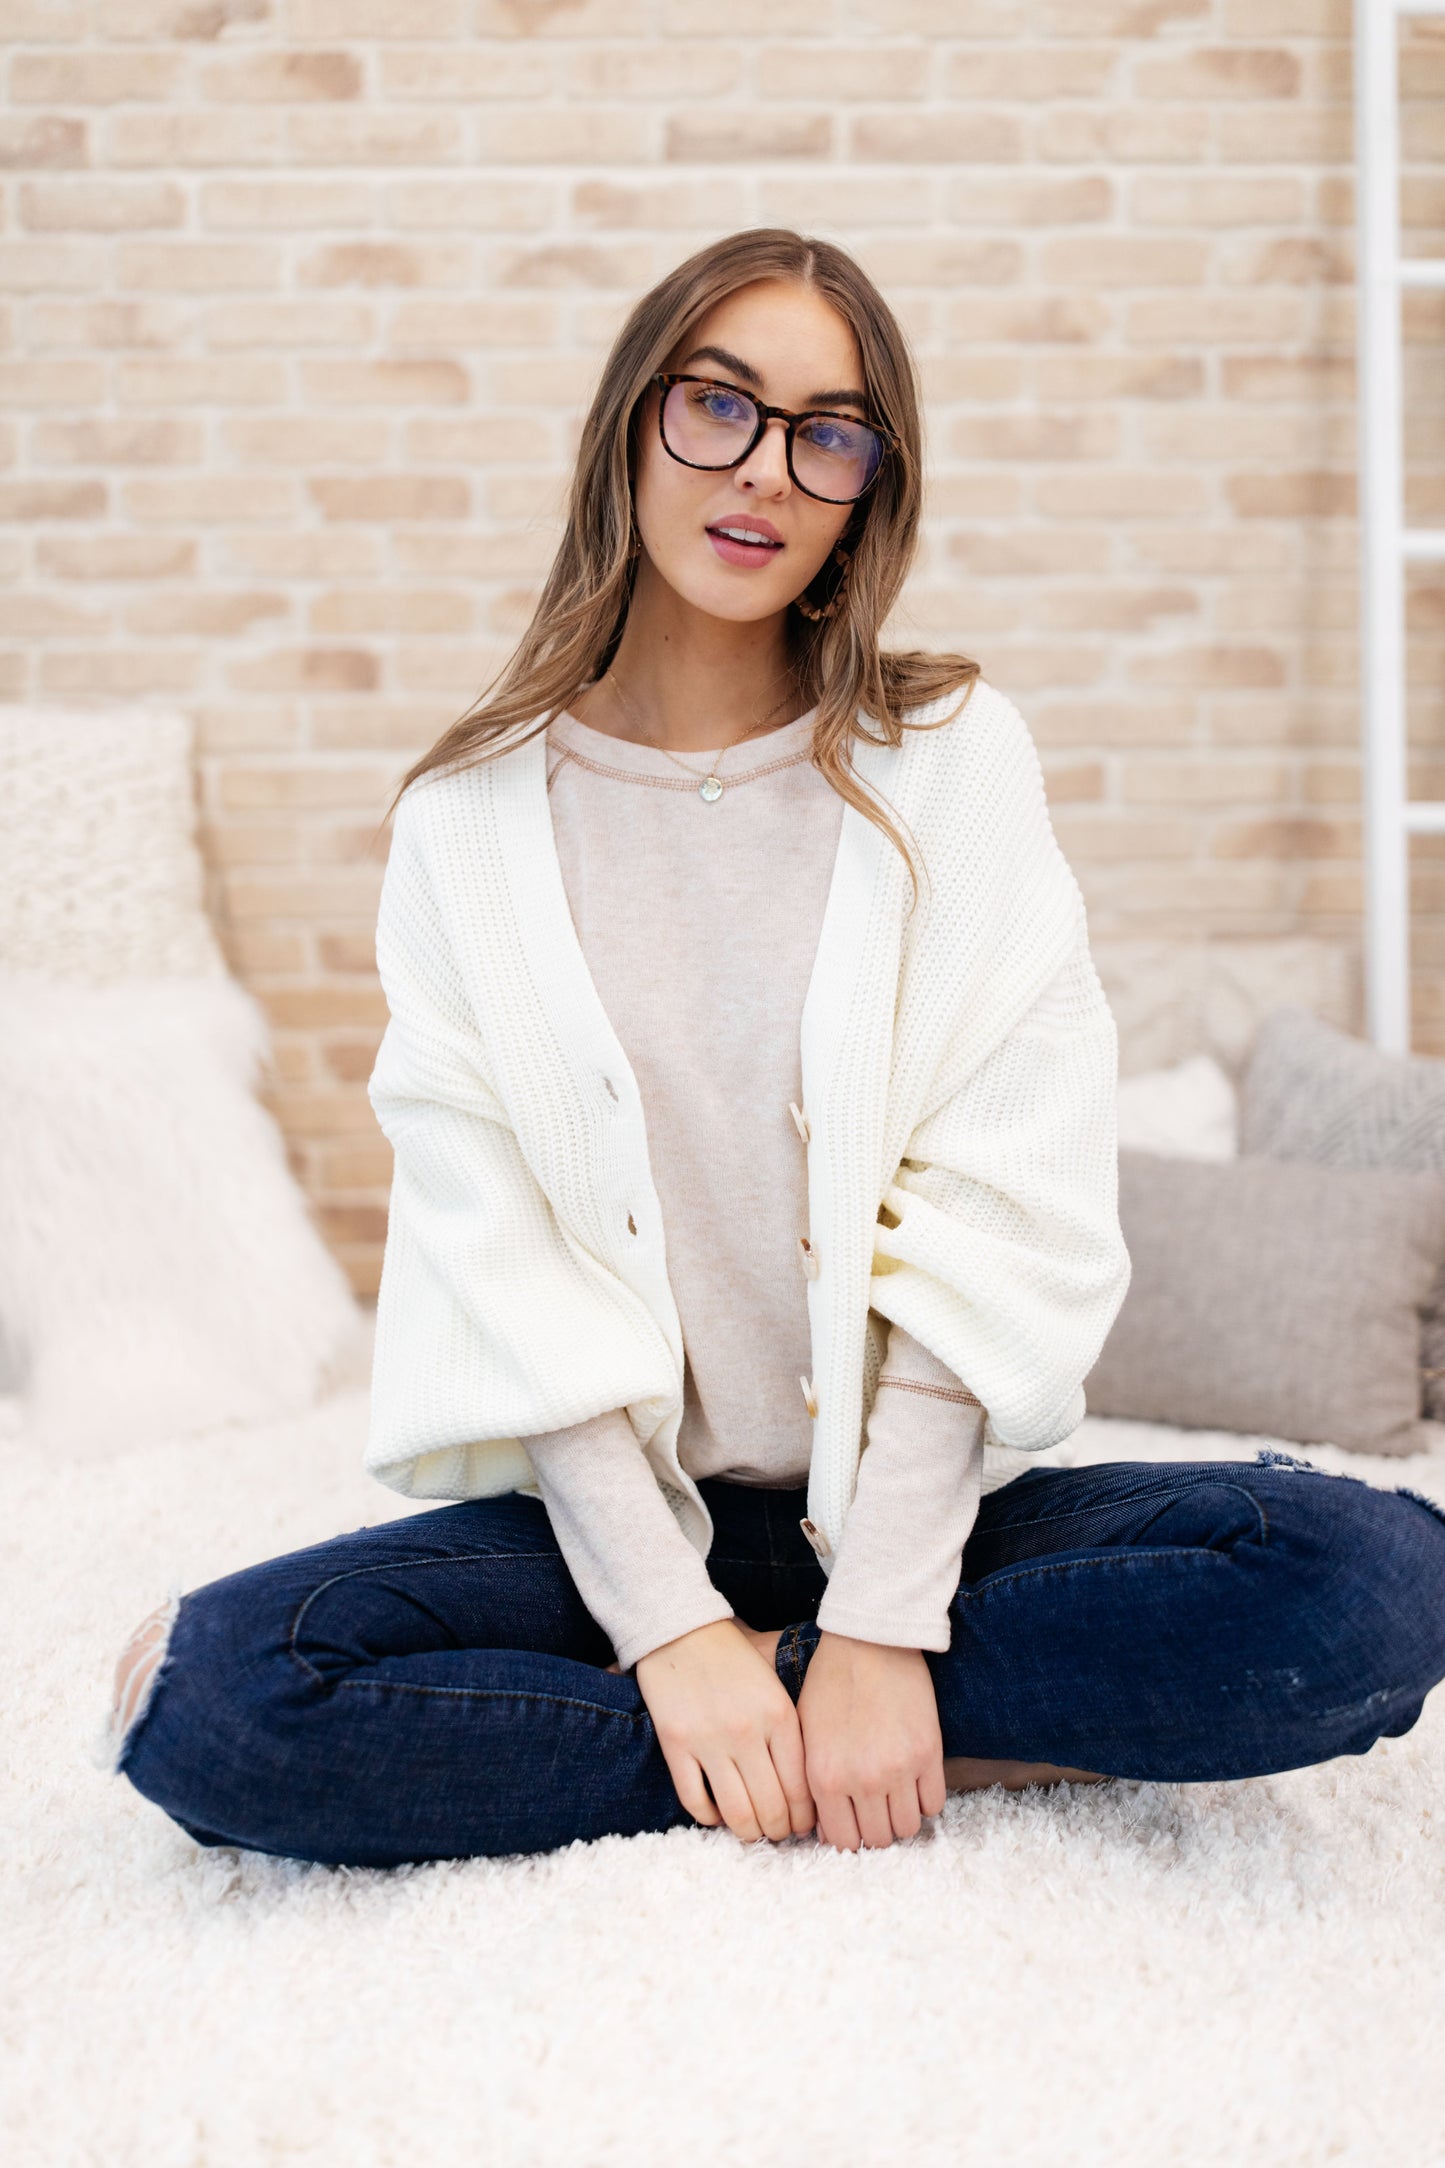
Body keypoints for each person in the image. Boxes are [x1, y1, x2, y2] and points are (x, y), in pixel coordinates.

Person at [109, 229, 1445, 1868]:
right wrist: (671, 1635)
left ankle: (832, 1721)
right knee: (220, 1700)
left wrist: (884, 1621)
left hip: (914, 1512)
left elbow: (1001, 1196)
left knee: (1374, 1581)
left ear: (866, 487)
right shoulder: (466, 823)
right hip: (615, 1532)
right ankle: (917, 1736)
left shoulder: (945, 758)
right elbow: (500, 1259)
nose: (762, 471)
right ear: (630, 424)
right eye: (718, 408)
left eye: (826, 432)